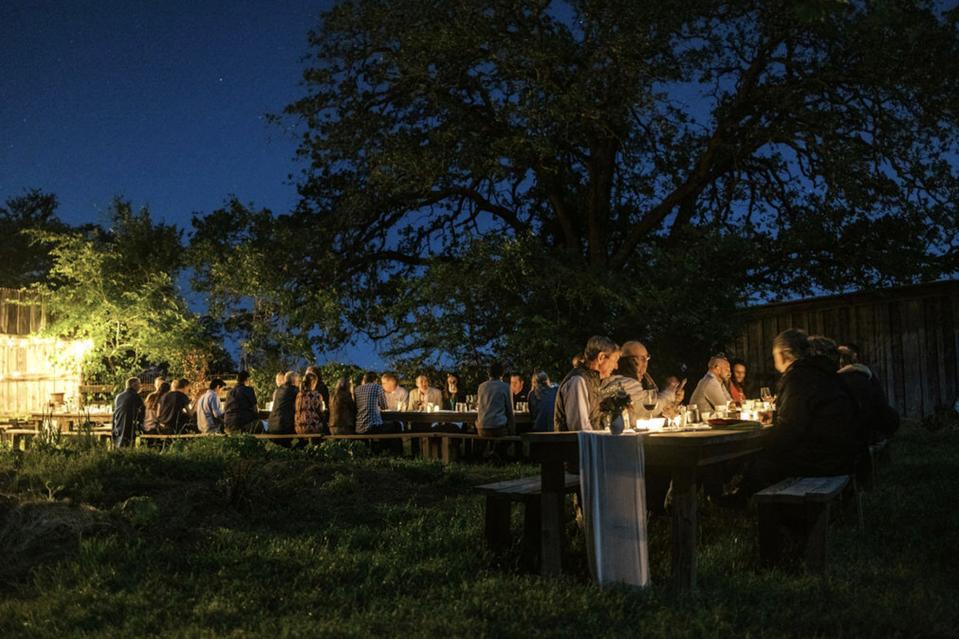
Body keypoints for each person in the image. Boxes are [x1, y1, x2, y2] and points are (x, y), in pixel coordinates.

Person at [744, 329, 857, 493]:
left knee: (762, 461)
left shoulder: (799, 377)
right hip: (843, 454)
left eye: (774, 354)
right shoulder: (822, 371)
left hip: (824, 459)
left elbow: (790, 428)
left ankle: (753, 505)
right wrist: (776, 416)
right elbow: (809, 413)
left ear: (784, 354)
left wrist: (761, 443)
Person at [602, 341, 682, 426]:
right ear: (628, 362)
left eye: (646, 358)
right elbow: (648, 410)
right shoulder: (625, 383)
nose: (645, 363)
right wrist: (670, 391)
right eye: (642, 358)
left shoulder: (640, 379)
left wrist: (674, 399)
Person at [555, 336, 621, 431]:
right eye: (615, 360)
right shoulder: (577, 381)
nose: (616, 366)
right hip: (577, 445)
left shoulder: (593, 381)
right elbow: (580, 428)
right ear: (601, 357)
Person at [838, 344, 899, 443]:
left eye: (845, 357)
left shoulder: (854, 376)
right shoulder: (864, 373)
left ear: (855, 357)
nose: (841, 360)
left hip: (870, 430)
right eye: (839, 356)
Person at [476, 362, 515, 437]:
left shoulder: (481, 386)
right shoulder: (505, 387)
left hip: (481, 428)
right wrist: (513, 429)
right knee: (511, 437)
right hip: (498, 428)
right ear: (502, 374)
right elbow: (510, 411)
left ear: (489, 373)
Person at [111, 376, 144, 447]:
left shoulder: (118, 396)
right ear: (133, 385)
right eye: (139, 384)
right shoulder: (135, 396)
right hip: (129, 427)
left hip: (117, 426)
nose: (140, 386)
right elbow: (142, 411)